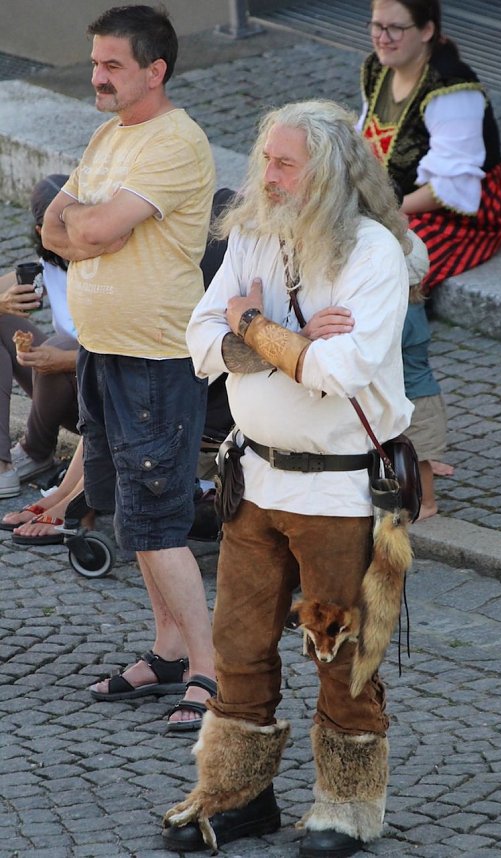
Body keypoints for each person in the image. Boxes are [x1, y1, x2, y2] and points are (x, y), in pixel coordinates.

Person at [161, 100, 413, 858]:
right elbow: (199, 338)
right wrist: (273, 336)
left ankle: (346, 805)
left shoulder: (372, 254)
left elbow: (337, 371)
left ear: (327, 174)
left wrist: (254, 324)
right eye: (264, 159)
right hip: (254, 484)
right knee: (237, 647)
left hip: (338, 494)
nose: (264, 177)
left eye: (283, 164)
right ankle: (237, 797)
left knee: (339, 652)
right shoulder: (251, 233)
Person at [41, 5, 216, 731]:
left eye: (112, 65)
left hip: (154, 358)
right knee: (126, 513)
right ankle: (167, 649)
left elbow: (94, 226)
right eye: (95, 63)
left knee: (160, 519)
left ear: (155, 70)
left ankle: (211, 671)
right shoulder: (109, 135)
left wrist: (82, 226)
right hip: (105, 351)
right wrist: (80, 227)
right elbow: (52, 225)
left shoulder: (174, 144)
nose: (98, 77)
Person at [358, 0, 501, 291]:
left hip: (456, 212)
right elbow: (363, 136)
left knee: (388, 261)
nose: (382, 37)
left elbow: (451, 186)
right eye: (377, 25)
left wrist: (382, 209)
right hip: (393, 196)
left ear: (427, 30)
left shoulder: (450, 89)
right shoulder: (378, 69)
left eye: (396, 28)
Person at [0, 174, 79, 500]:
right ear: (40, 233)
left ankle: (36, 449)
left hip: (102, 390)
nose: (73, 237)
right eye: (59, 228)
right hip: (60, 382)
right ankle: (2, 463)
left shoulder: (118, 262)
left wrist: (67, 358)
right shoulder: (46, 267)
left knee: (58, 346)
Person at [401, 232, 448, 518]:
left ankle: (427, 504)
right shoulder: (414, 305)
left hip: (418, 399)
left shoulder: (402, 315)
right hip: (414, 393)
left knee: (418, 456)